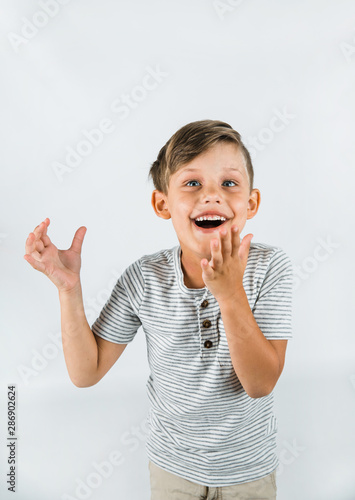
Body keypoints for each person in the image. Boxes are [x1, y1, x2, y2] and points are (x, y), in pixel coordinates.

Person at [24, 119, 293, 500]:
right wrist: (70, 291)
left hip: (247, 470)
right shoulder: (143, 279)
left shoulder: (271, 267)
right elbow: (86, 372)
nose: (212, 196)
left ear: (251, 202)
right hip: (172, 469)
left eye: (229, 183)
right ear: (162, 203)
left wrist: (230, 294)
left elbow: (260, 384)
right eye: (192, 183)